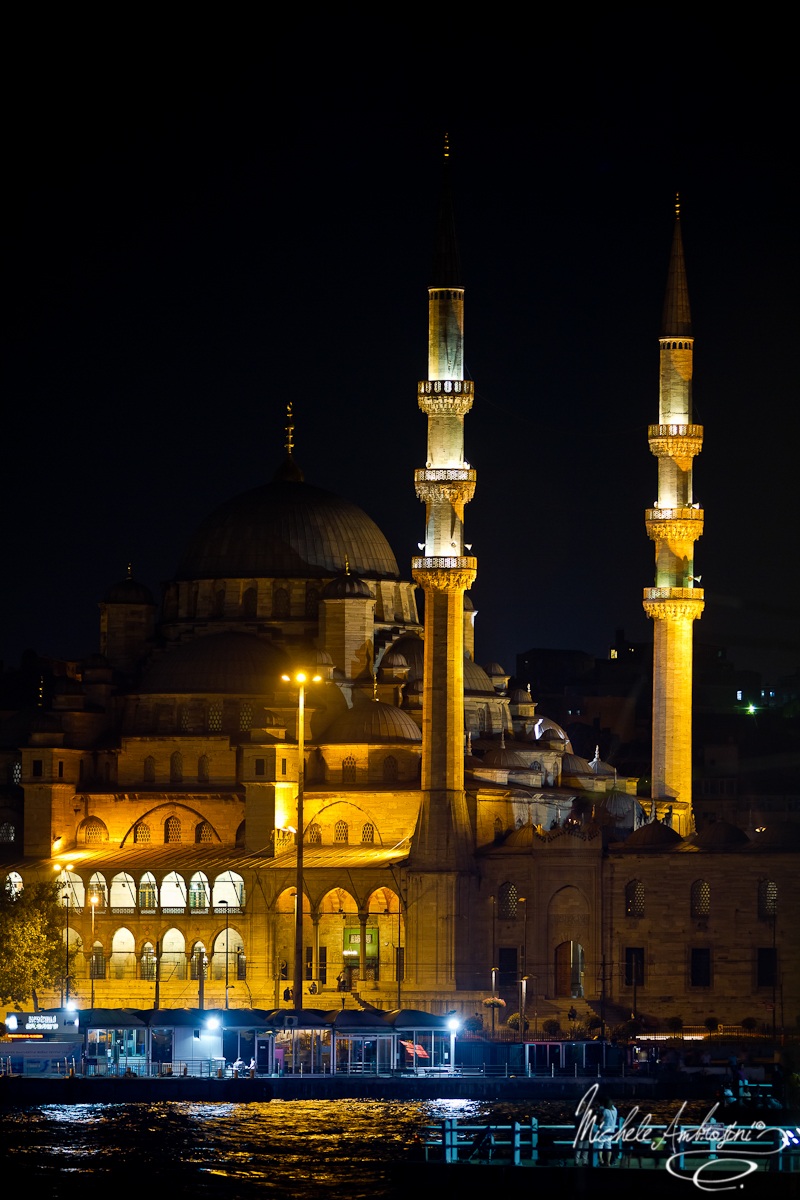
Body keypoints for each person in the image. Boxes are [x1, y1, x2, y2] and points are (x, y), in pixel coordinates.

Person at [595, 1094, 618, 1166]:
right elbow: (611, 1106)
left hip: (604, 1130)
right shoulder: (615, 1110)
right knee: (608, 1146)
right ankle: (608, 1162)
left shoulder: (605, 1111)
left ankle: (601, 1160)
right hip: (612, 1130)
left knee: (600, 1144)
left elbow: (601, 1120)